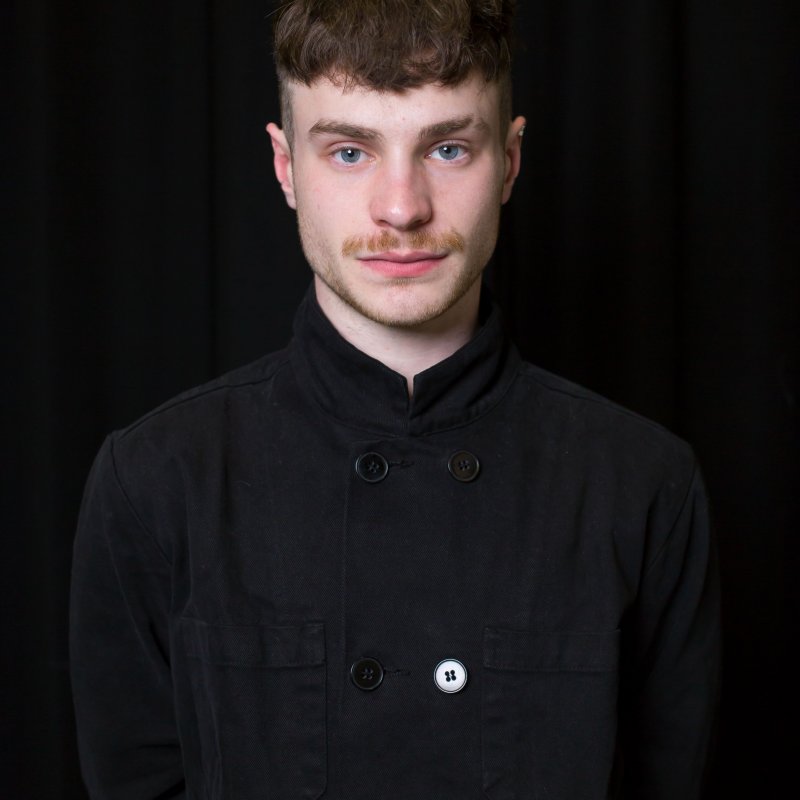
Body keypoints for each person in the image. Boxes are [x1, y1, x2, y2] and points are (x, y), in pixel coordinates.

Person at [70, 1, 720, 798]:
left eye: (448, 148)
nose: (402, 207)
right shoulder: (153, 483)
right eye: (349, 152)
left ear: (510, 161)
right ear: (285, 170)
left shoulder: (645, 485)